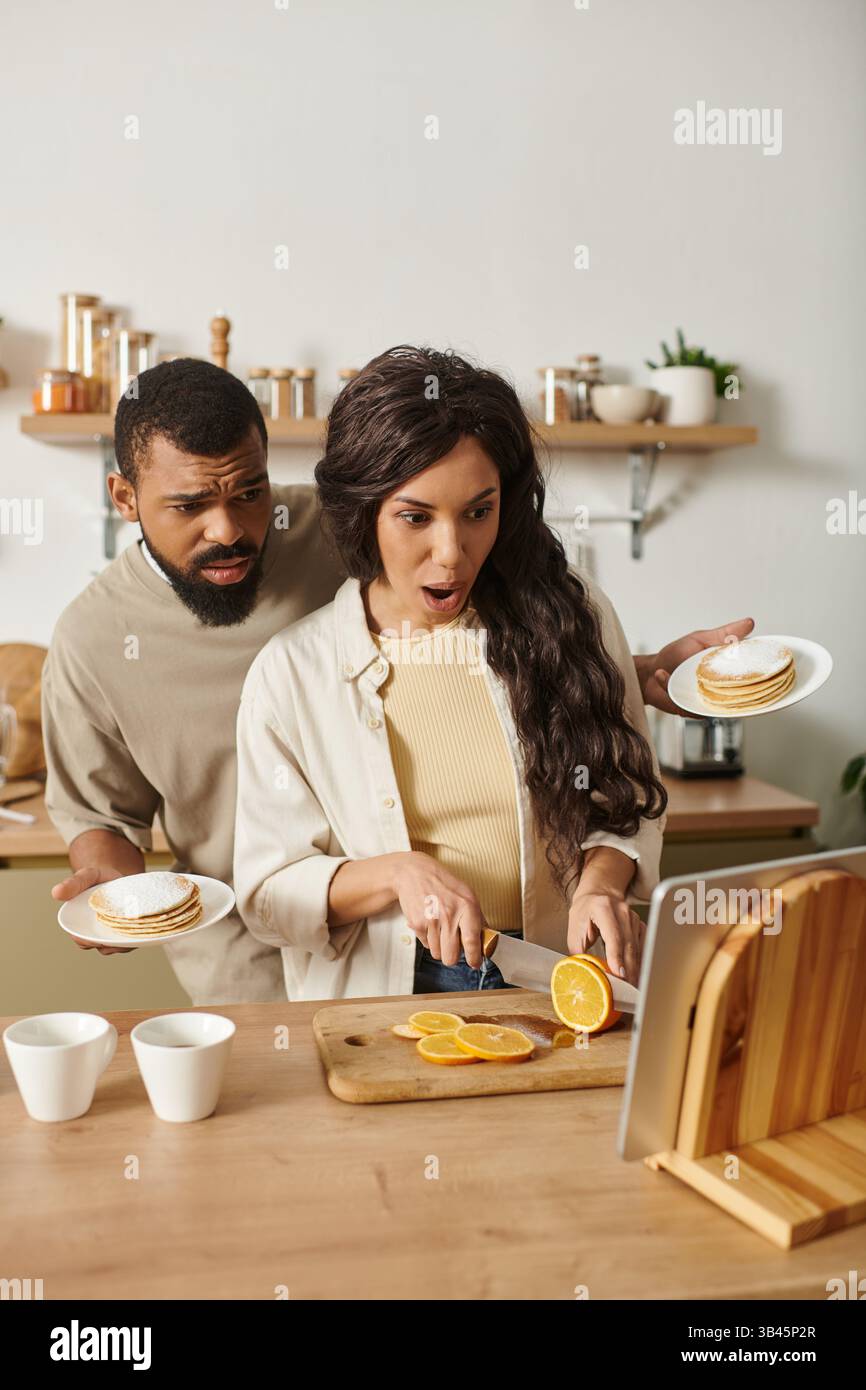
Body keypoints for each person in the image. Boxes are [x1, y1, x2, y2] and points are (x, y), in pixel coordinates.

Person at [44, 355, 753, 1007]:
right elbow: (101, 817)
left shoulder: (333, 517)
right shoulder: (103, 642)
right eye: (190, 505)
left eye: (250, 492)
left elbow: (508, 687)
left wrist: (617, 673)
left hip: (543, 968)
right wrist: (113, 892)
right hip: (283, 963)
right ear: (125, 497)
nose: (230, 528)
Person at [232, 346, 725, 1001]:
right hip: (389, 993)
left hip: (562, 974)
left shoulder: (572, 616)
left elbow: (625, 805)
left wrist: (603, 885)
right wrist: (397, 875)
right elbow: (267, 893)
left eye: (477, 511)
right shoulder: (291, 674)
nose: (452, 553)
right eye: (416, 517)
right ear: (364, 513)